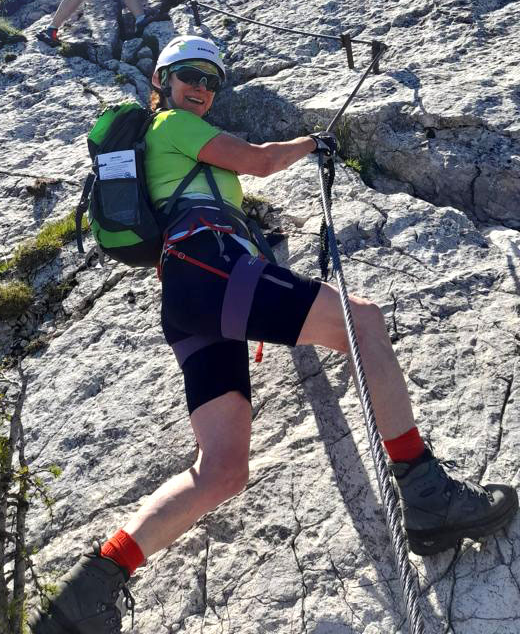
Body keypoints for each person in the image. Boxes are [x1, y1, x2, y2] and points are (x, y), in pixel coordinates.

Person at [30, 34, 518, 634]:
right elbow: (259, 161)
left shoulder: (167, 145)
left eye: (211, 81)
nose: (201, 89)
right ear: (161, 81)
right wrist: (313, 142)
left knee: (222, 469)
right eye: (189, 75)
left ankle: (89, 591)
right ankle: (425, 491)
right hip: (210, 267)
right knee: (363, 323)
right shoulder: (172, 125)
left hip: (186, 299)